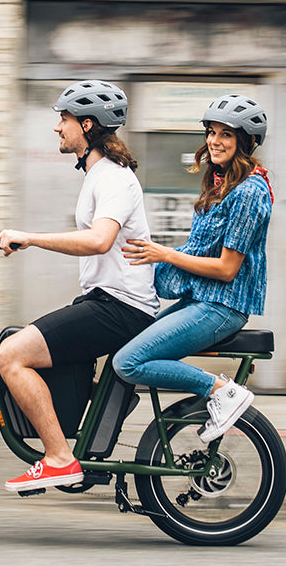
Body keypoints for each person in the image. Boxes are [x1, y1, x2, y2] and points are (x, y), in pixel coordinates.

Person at [0, 80, 159, 494]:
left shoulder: (114, 178)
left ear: (86, 124)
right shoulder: (98, 175)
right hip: (107, 302)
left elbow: (99, 240)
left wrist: (29, 237)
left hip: (121, 308)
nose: (57, 128)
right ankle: (76, 446)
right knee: (29, 349)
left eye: (63, 119)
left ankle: (60, 459)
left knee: (10, 354)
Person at [116, 93, 273, 442]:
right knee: (124, 346)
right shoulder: (222, 183)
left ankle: (221, 390)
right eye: (211, 132)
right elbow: (199, 249)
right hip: (201, 299)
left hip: (223, 306)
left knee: (128, 361)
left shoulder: (250, 191)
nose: (214, 142)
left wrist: (164, 254)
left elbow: (226, 269)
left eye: (226, 135)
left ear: (245, 142)